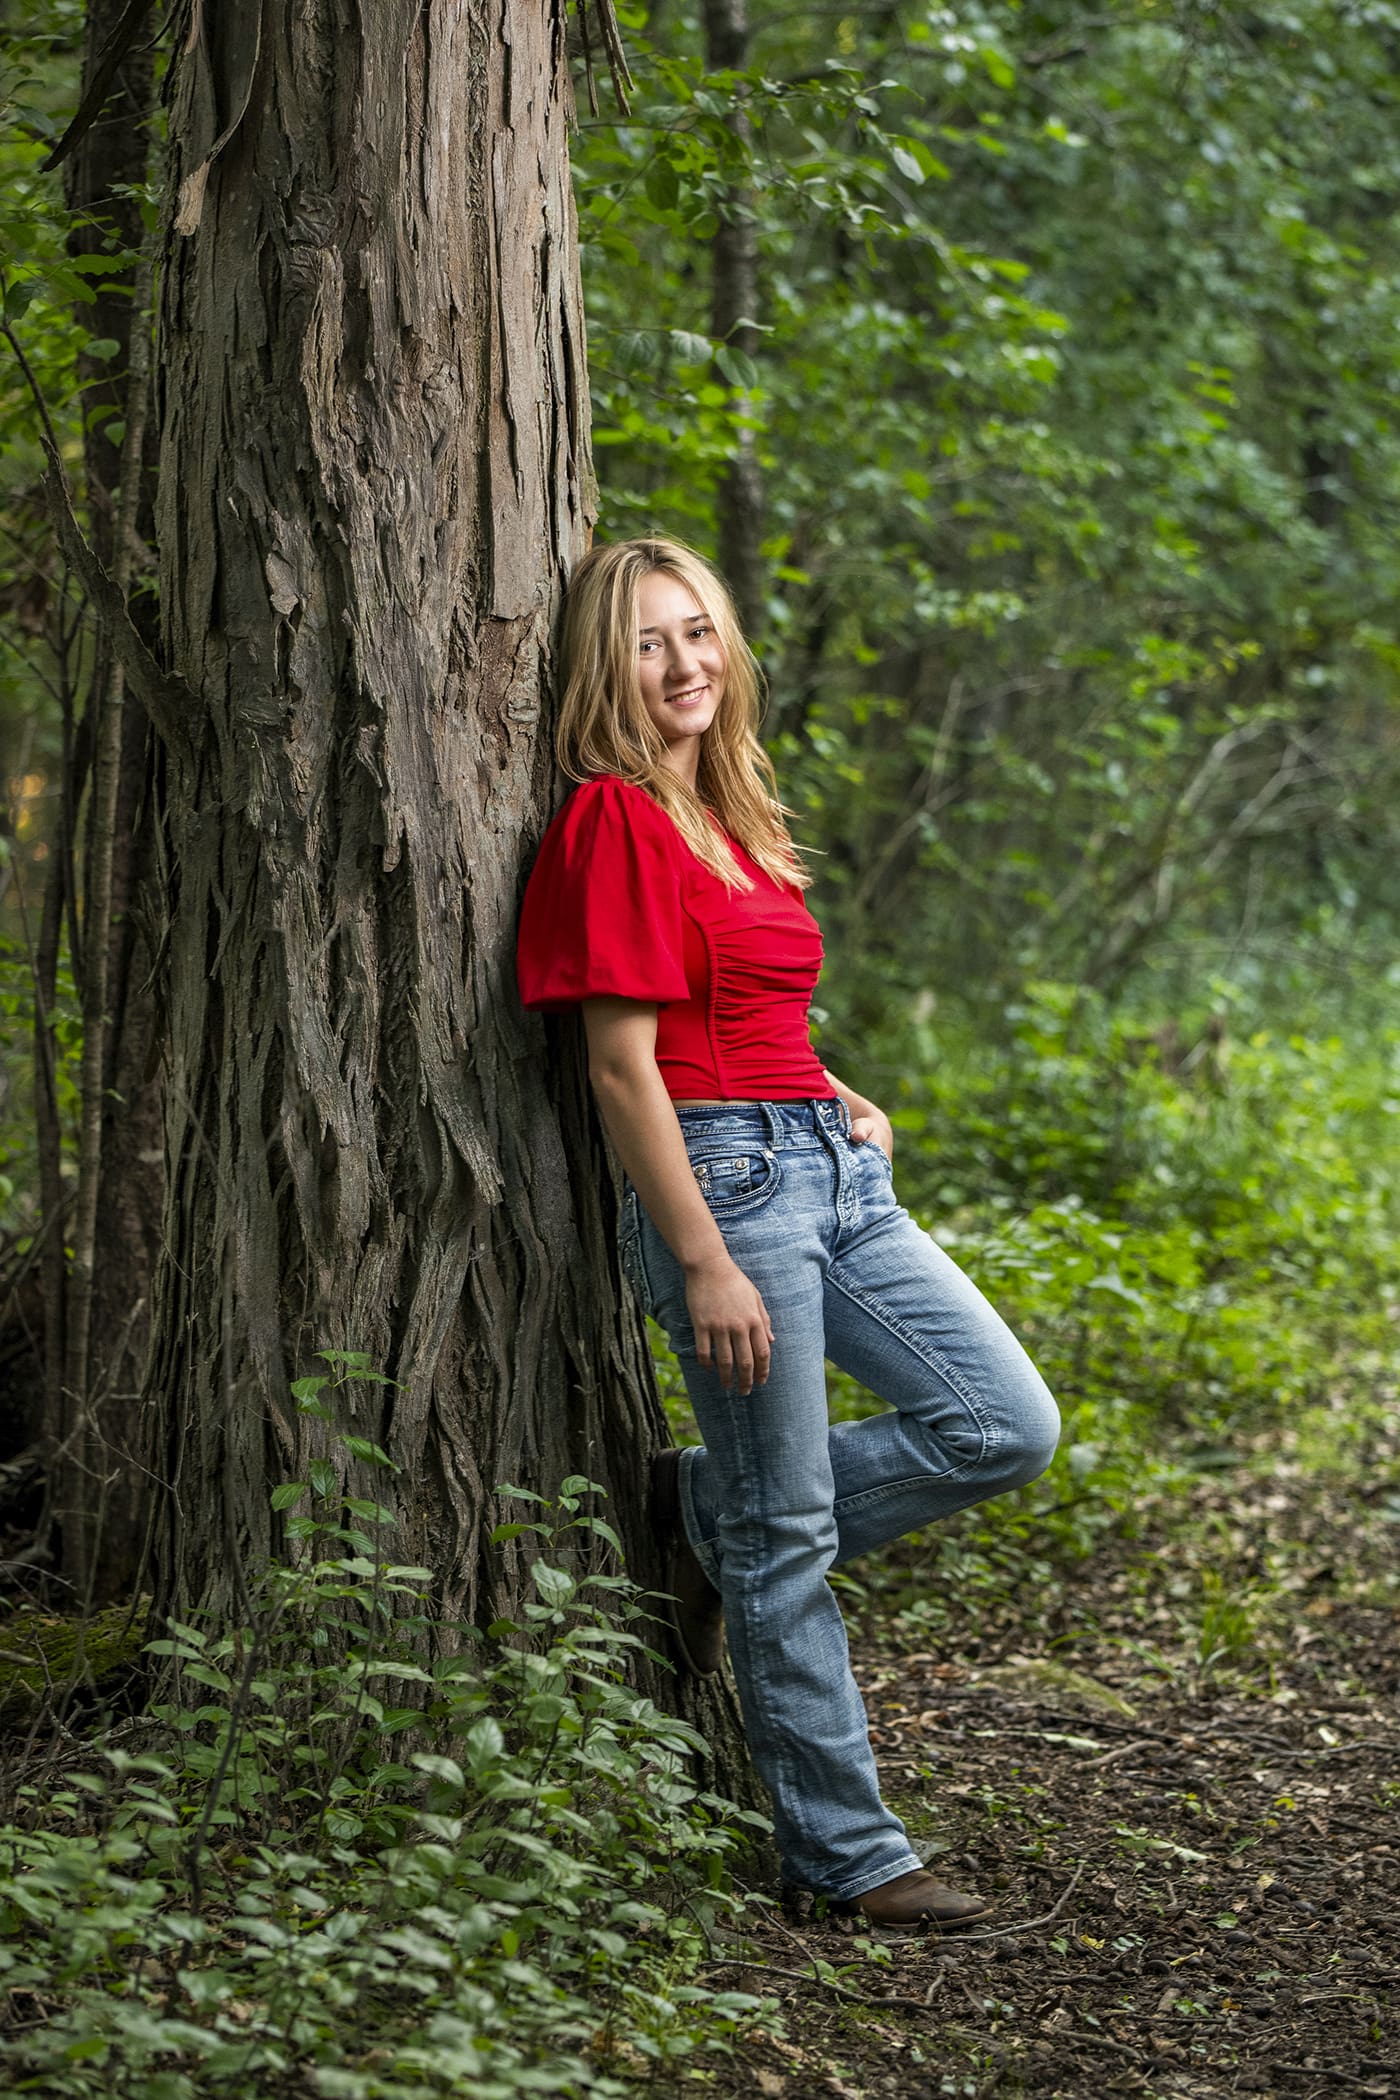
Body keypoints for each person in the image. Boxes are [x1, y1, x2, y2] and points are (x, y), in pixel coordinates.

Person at [516, 536, 1060, 1930]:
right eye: (648, 642)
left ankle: (711, 1510)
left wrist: (837, 1090)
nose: (684, 664)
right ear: (605, 665)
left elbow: (755, 1010)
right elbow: (626, 1065)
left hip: (827, 1163)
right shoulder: (616, 820)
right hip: (726, 1186)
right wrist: (698, 1254)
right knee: (792, 1535)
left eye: (698, 632)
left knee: (1003, 1424)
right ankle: (849, 1855)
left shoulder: (737, 807)